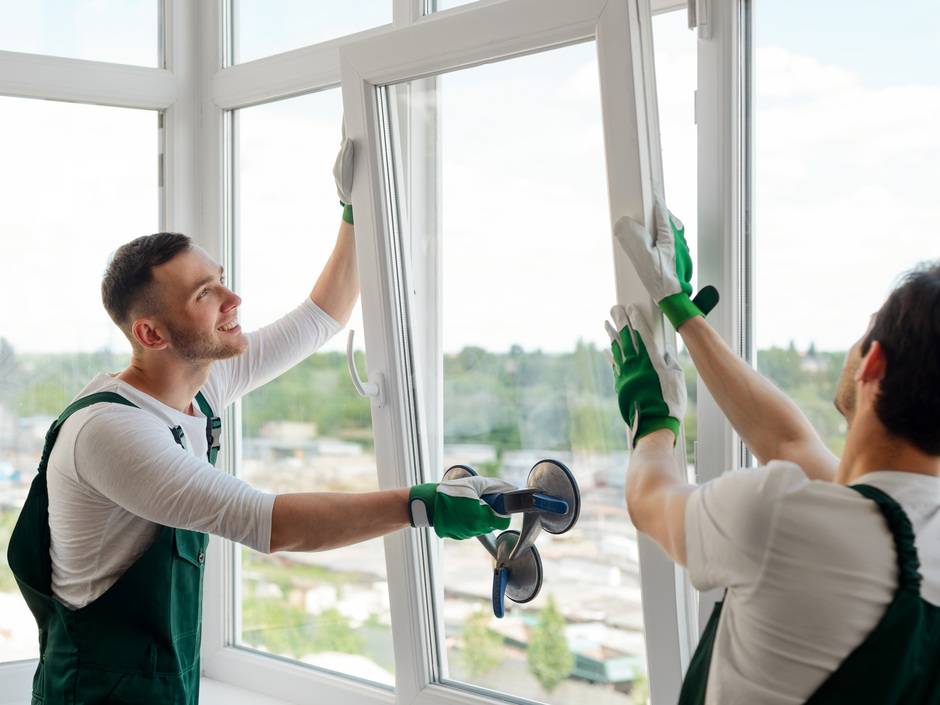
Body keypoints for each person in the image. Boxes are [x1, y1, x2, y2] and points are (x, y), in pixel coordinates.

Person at [7, 129, 513, 705]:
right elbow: (270, 522)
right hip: (93, 694)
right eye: (205, 293)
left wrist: (355, 213)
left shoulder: (198, 385)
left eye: (220, 278)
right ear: (151, 333)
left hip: (163, 681)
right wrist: (420, 504)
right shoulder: (111, 432)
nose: (233, 299)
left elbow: (321, 317)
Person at [607, 198, 940, 704]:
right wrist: (681, 310)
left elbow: (648, 500)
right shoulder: (905, 524)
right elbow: (787, 442)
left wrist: (653, 420)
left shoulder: (783, 520)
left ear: (873, 363)